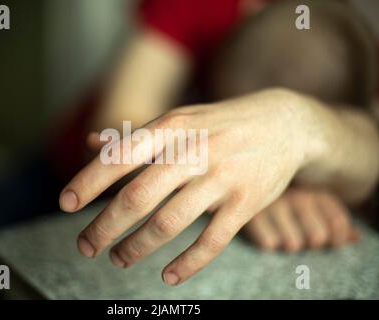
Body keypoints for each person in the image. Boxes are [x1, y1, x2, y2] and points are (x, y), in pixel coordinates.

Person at [55, 0, 379, 286]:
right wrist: (228, 175)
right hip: (61, 174)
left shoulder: (352, 33)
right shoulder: (198, 5)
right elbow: (115, 124)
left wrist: (272, 176)